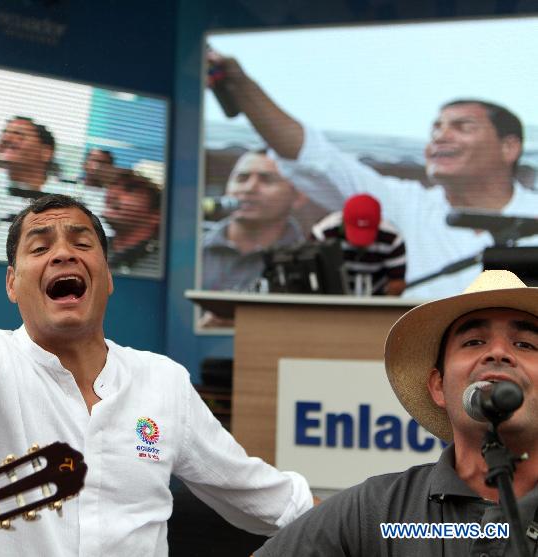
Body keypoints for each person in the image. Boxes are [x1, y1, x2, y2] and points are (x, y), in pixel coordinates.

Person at [0, 57, 313, 556]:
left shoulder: (162, 382)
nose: (63, 252)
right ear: (12, 285)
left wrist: (403, 529)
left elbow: (275, 502)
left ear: (106, 278)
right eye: (40, 247)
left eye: (81, 242)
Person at [207, 50, 538, 299]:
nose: (440, 136)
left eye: (461, 127)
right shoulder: (403, 204)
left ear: (509, 147)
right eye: (435, 128)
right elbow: (313, 157)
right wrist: (241, 86)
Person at [256, 268, 538, 556]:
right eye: (474, 342)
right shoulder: (375, 510)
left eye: (525, 344)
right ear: (438, 387)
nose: (499, 353)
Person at [0, 116, 106, 262]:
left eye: (19, 135)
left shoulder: (74, 195)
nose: (6, 139)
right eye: (4, 133)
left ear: (46, 152)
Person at [202, 150, 305, 293]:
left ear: (298, 197)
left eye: (267, 180)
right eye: (241, 178)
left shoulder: (306, 260)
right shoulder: (192, 247)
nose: (249, 188)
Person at [310, 193, 407, 296]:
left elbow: (396, 282)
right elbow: (311, 275)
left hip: (376, 299)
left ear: (379, 223)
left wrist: (382, 307)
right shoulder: (323, 233)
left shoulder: (392, 239)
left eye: (366, 234)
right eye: (356, 233)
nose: (360, 244)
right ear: (343, 220)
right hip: (329, 300)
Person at [104, 169, 162, 275]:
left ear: (156, 214)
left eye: (129, 189)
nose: (111, 195)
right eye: (113, 186)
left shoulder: (160, 266)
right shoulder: (94, 249)